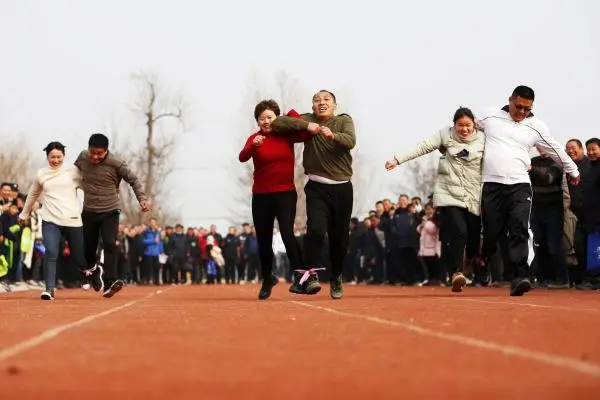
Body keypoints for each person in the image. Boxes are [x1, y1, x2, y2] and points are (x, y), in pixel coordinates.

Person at [477, 85, 579, 296]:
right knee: (492, 232)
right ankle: (482, 260)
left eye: (527, 109)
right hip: (492, 184)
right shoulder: (489, 115)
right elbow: (465, 127)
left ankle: (520, 276)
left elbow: (555, 149)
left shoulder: (536, 125)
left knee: (519, 228)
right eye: (519, 106)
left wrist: (573, 170)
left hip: (520, 184)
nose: (522, 112)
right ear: (510, 100)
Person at [386, 107, 485, 292]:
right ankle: (456, 273)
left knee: (473, 237)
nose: (464, 129)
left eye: (468, 125)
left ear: (474, 125)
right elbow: (422, 147)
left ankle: (474, 262)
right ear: (454, 124)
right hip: (449, 193)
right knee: (459, 231)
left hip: (474, 195)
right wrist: (397, 159)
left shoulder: (483, 139)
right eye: (460, 125)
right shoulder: (445, 135)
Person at [271, 90, 356, 299]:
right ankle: (308, 275)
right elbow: (278, 123)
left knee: (340, 238)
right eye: (317, 100)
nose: (322, 103)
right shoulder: (307, 119)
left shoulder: (344, 120)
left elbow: (351, 141)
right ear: (312, 106)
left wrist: (332, 135)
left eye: (326, 100)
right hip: (317, 187)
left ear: (335, 105)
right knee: (316, 230)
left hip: (342, 188)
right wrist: (306, 126)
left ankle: (336, 276)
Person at [239, 99, 312, 300]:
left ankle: (301, 276)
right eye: (262, 118)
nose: (266, 121)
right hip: (261, 195)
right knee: (263, 239)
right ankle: (267, 278)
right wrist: (253, 146)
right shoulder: (254, 138)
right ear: (257, 121)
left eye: (270, 117)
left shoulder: (285, 135)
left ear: (277, 118)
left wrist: (291, 116)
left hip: (285, 193)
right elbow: (242, 157)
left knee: (288, 234)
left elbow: (305, 131)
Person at [75, 133, 150, 298]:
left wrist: (142, 199)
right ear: (88, 149)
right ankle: (95, 271)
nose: (94, 157)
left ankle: (110, 282)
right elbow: (72, 176)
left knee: (110, 242)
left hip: (110, 210)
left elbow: (134, 180)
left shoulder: (116, 163)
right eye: (92, 152)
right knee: (88, 249)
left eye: (99, 154)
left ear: (106, 151)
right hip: (89, 210)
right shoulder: (82, 157)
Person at [19, 142, 88, 300]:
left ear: (64, 156)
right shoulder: (41, 174)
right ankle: (49, 289)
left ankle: (89, 272)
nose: (55, 160)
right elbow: (33, 195)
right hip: (50, 219)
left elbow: (89, 188)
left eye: (59, 157)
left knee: (78, 255)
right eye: (52, 157)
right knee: (51, 252)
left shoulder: (73, 171)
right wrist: (24, 214)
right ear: (47, 157)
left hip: (72, 219)